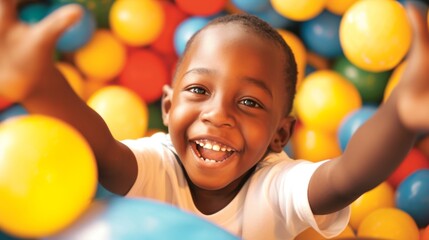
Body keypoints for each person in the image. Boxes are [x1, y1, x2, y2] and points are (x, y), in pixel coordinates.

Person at [0, 1, 428, 239]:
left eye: (250, 103)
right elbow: (101, 150)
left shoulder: (275, 187)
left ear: (282, 134)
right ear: (167, 109)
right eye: (198, 91)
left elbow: (347, 177)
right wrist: (39, 85)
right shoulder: (159, 163)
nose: (218, 113)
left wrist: (401, 118)